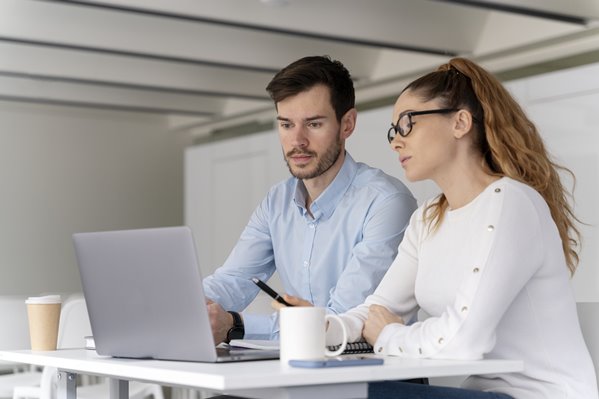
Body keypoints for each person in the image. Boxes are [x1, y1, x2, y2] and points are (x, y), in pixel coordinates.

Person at [324, 57, 598, 398]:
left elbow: (465, 341)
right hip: (484, 392)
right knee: (338, 389)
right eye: (393, 131)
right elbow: (380, 308)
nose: (396, 141)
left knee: (350, 394)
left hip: (541, 395)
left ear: (460, 122)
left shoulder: (511, 203)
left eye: (407, 123)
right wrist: (326, 329)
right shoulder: (428, 218)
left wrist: (390, 336)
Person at [202, 55, 417, 344]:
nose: (297, 141)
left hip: (374, 377)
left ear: (347, 124)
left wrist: (235, 325)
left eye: (313, 124)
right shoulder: (276, 202)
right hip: (304, 371)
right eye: (287, 125)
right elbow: (233, 280)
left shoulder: (386, 202)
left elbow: (341, 319)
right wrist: (185, 306)